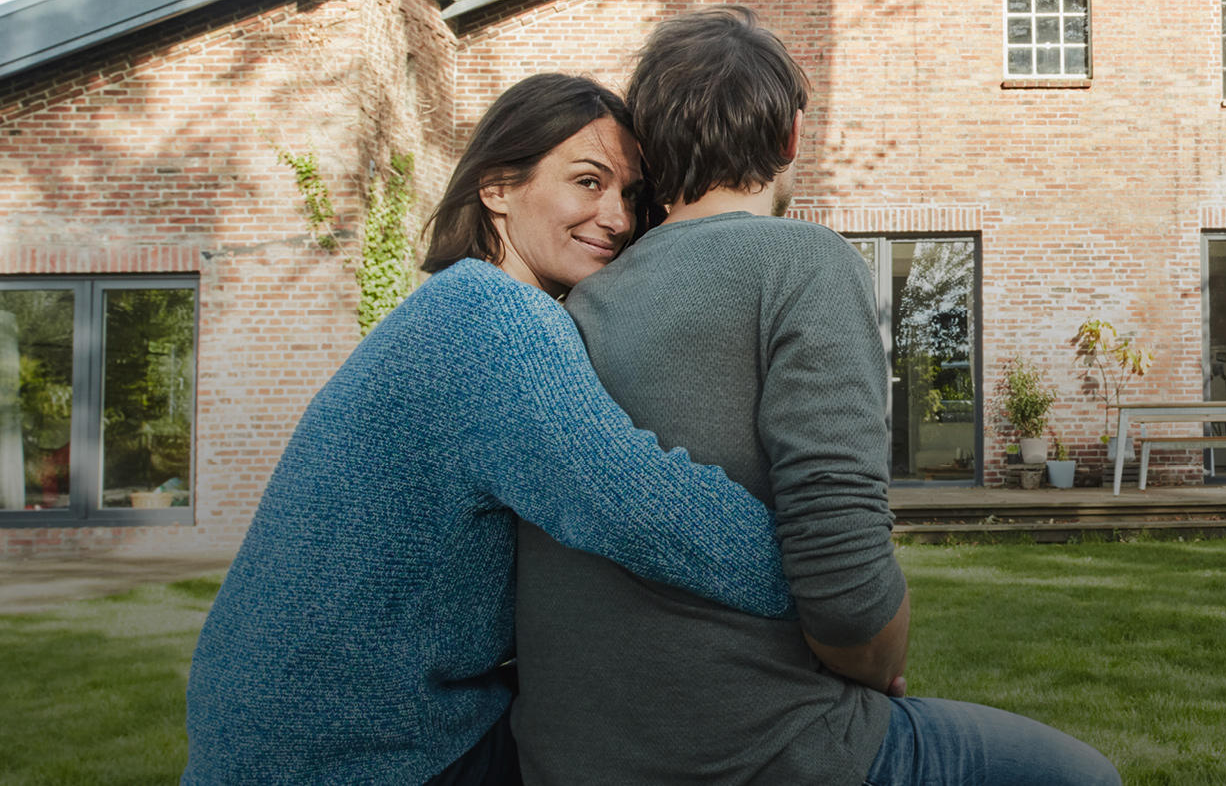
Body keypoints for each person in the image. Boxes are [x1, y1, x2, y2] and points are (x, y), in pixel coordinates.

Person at [512, 8, 1122, 786]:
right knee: (1080, 777)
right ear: (792, 138)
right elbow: (842, 579)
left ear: (651, 147)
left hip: (573, 757)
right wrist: (878, 654)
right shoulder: (804, 262)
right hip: (759, 754)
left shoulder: (581, 299)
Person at [182, 73, 795, 786]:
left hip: (283, 732)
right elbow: (640, 506)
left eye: (630, 195)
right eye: (588, 182)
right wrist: (830, 591)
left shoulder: (452, 306)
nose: (619, 218)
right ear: (497, 187)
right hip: (353, 749)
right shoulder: (493, 318)